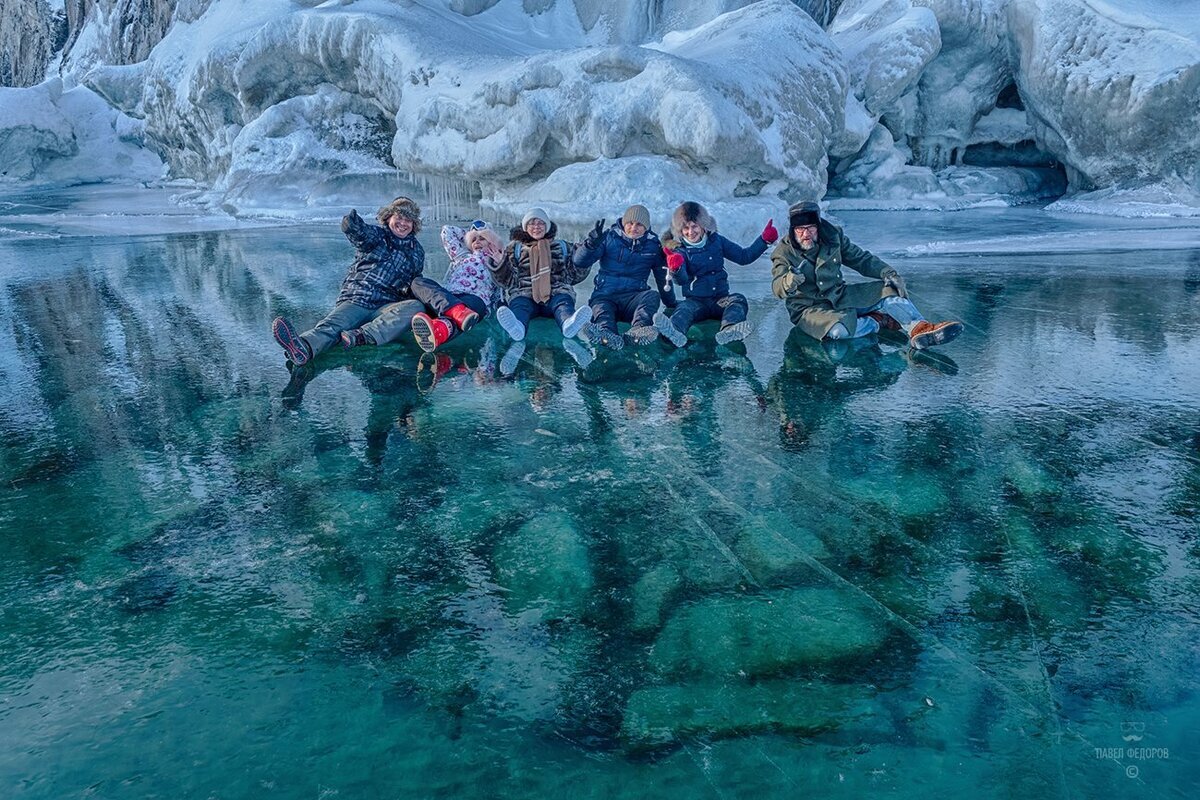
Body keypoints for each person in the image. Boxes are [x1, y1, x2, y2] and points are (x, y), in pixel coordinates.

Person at [769, 201, 962, 349]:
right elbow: (777, 286)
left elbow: (860, 259)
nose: (806, 234)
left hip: (840, 295)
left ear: (818, 226)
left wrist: (888, 272)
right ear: (793, 230)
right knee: (838, 332)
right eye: (800, 229)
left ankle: (920, 329)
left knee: (888, 289)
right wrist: (788, 282)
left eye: (810, 228)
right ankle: (876, 321)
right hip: (810, 309)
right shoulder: (783, 252)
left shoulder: (833, 237)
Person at [271, 197, 426, 366]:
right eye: (399, 217)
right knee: (332, 326)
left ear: (414, 224)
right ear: (388, 217)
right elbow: (362, 235)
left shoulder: (417, 251)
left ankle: (361, 336)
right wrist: (352, 226)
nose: (403, 223)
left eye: (408, 220)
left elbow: (415, 281)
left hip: (385, 307)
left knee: (415, 307)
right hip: (359, 299)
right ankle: (303, 348)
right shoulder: (378, 236)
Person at [653, 201, 778, 347]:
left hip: (720, 299)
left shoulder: (717, 241)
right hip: (695, 301)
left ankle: (729, 330)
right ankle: (674, 332)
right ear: (680, 231)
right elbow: (681, 281)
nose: (690, 232)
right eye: (685, 228)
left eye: (694, 226)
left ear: (703, 226)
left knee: (738, 300)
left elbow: (744, 257)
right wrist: (676, 268)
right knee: (684, 309)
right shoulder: (680, 250)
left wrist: (764, 240)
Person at [572, 204, 675, 350]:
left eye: (639, 224)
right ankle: (606, 334)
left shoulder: (653, 246)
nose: (634, 227)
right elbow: (579, 261)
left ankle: (637, 332)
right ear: (624, 223)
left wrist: (671, 303)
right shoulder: (608, 237)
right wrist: (590, 245)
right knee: (602, 312)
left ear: (646, 227)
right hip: (605, 295)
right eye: (630, 223)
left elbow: (661, 276)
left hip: (634, 298)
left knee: (652, 296)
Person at [490, 208, 594, 344]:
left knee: (562, 303)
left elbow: (573, 275)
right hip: (524, 294)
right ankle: (518, 327)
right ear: (525, 227)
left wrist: (584, 256)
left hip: (556, 292)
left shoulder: (562, 246)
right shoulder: (514, 249)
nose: (536, 227)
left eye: (540, 223)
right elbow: (508, 282)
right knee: (520, 306)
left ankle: (568, 323)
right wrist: (500, 264)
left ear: (547, 226)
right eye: (532, 224)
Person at [408, 220, 504, 353]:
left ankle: (439, 329)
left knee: (464, 317)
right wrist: (470, 235)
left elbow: (507, 282)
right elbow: (447, 230)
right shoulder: (461, 256)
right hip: (449, 296)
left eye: (482, 238)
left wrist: (501, 262)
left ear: (491, 240)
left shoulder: (496, 259)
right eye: (474, 239)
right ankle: (455, 312)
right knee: (417, 282)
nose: (477, 242)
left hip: (475, 299)